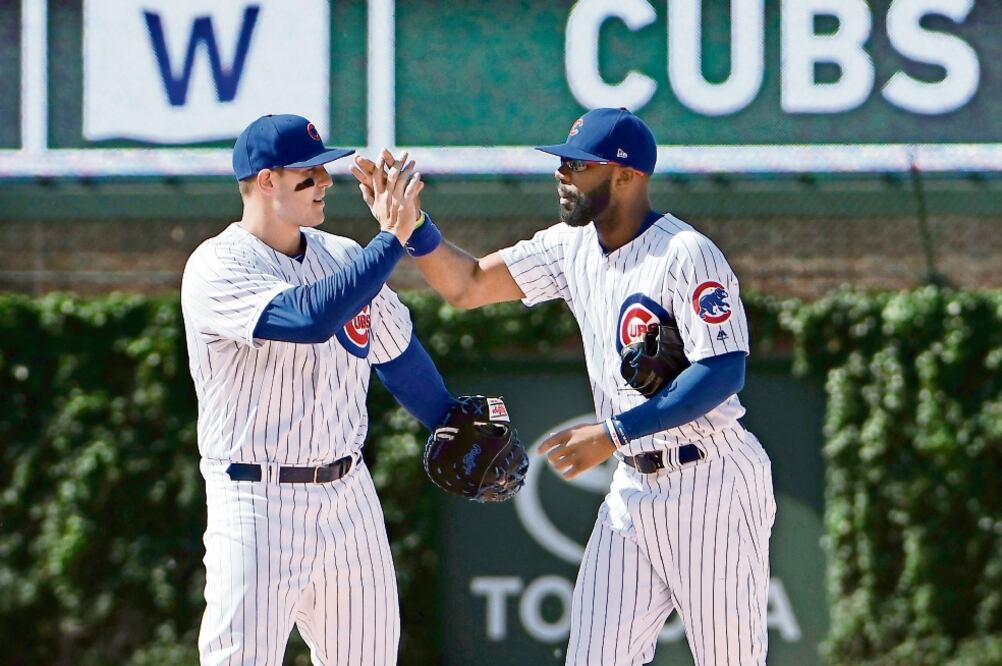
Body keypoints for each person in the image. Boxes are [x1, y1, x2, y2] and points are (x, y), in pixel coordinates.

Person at [352, 107, 776, 665]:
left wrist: (615, 431)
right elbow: (469, 284)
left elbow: (724, 369)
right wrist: (410, 226)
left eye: (578, 164)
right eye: (562, 162)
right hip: (635, 487)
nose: (563, 173)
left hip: (713, 481)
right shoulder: (570, 246)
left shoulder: (685, 254)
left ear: (626, 176)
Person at [181, 113, 459, 665]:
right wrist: (392, 237)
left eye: (324, 170)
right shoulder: (217, 265)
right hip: (255, 500)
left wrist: (449, 421)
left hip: (347, 496)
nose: (325, 182)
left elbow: (397, 354)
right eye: (308, 174)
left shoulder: (342, 256)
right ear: (266, 180)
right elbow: (312, 317)